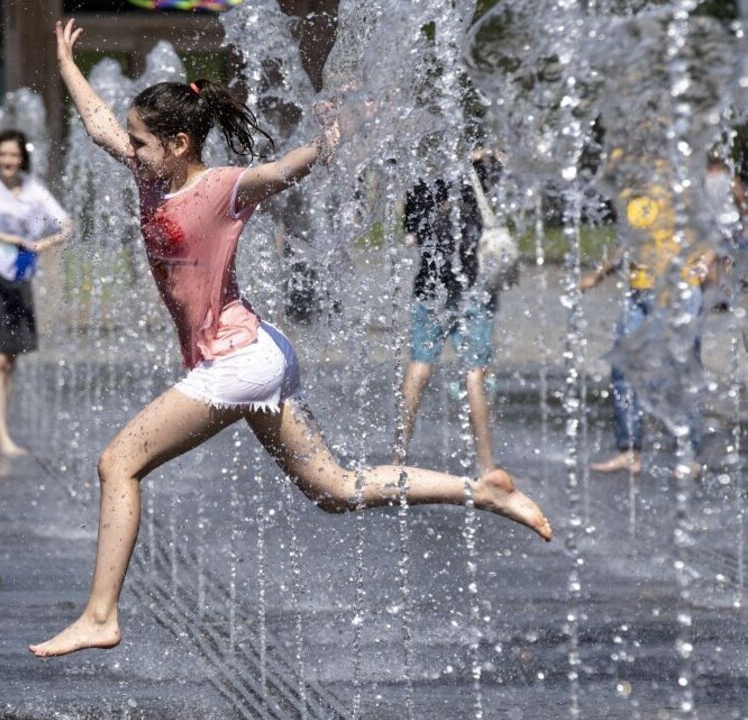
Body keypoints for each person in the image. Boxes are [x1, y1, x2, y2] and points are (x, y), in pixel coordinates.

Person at [30, 19, 552, 659]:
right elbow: (103, 127)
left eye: (142, 144)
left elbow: (281, 170)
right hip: (253, 352)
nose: (129, 152)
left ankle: (100, 615)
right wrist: (65, 66)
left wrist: (329, 142)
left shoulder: (218, 188)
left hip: (238, 360)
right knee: (334, 490)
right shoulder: (152, 176)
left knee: (118, 463)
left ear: (179, 143)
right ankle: (483, 489)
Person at [580, 154, 718, 477]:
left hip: (677, 291)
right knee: (622, 368)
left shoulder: (676, 189)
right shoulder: (630, 196)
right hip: (638, 292)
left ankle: (690, 456)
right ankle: (629, 450)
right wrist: (596, 276)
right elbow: (628, 243)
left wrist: (705, 262)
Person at [0, 129, 72, 457]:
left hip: (19, 280)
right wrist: (4, 238)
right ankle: (3, 435)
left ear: (23, 159)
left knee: (11, 360)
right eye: (3, 155)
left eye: (15, 155)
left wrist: (43, 244)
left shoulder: (34, 191)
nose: (8, 161)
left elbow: (66, 224)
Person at [396, 152, 503, 475]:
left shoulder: (421, 183)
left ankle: (398, 457)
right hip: (472, 287)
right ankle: (486, 466)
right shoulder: (472, 176)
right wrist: (487, 158)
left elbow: (410, 236)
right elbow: (497, 180)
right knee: (475, 372)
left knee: (419, 365)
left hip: (429, 287)